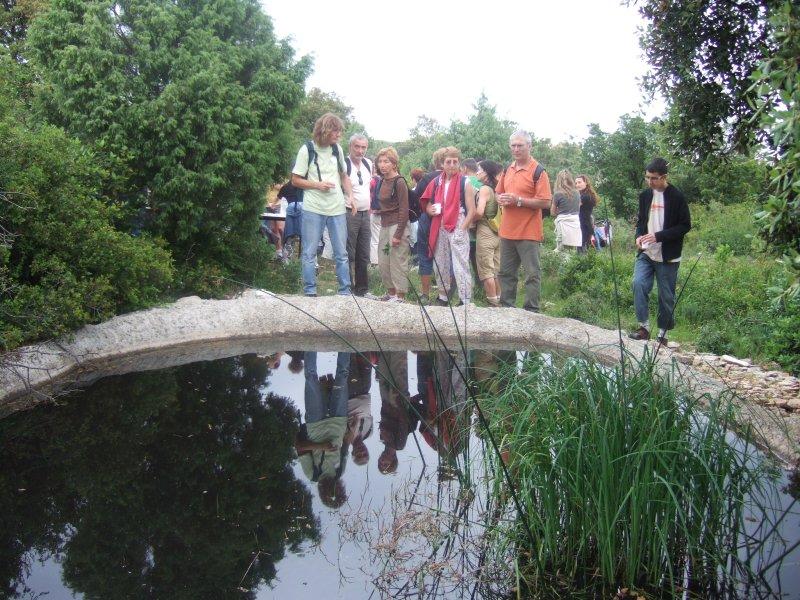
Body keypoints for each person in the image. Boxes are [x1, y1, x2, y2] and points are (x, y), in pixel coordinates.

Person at [629, 157, 691, 346]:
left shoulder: (677, 196)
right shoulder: (645, 195)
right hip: (647, 253)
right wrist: (639, 237)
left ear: (664, 177)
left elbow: (685, 226)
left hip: (668, 254)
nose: (650, 182)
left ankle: (662, 335)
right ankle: (644, 328)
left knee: (666, 295)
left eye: (654, 178)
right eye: (647, 177)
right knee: (638, 283)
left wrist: (659, 236)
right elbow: (641, 222)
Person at [290, 113, 354, 297]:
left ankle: (345, 291)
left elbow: (344, 176)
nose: (338, 135)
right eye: (335, 131)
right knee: (309, 252)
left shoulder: (337, 149)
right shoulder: (307, 149)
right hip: (313, 208)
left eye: (340, 131)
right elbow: (295, 180)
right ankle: (310, 291)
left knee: (341, 252)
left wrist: (350, 196)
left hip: (337, 208)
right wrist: (318, 185)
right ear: (324, 130)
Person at [496, 130, 552, 312]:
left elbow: (545, 202)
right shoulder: (508, 169)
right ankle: (506, 308)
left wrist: (518, 201)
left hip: (529, 232)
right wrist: (500, 199)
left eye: (520, 145)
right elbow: (498, 192)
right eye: (513, 145)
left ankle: (531, 311)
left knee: (532, 274)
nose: (516, 149)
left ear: (529, 146)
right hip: (507, 231)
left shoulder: (538, 171)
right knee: (505, 273)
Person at [420, 147, 477, 306]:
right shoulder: (437, 181)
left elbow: (472, 211)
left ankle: (465, 300)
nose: (452, 165)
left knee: (461, 263)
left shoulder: (466, 182)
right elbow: (426, 201)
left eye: (455, 162)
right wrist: (429, 209)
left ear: (459, 164)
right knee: (441, 262)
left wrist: (462, 229)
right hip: (440, 223)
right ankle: (443, 296)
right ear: (442, 164)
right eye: (448, 162)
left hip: (458, 222)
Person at [295, 351, 350, 508]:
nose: (334, 490)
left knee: (311, 378)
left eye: (330, 494)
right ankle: (344, 343)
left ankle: (310, 344)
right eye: (337, 492)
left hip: (316, 424)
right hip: (339, 422)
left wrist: (321, 446)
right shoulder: (340, 471)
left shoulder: (312, 474)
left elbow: (299, 447)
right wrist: (349, 432)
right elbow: (345, 446)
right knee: (343, 376)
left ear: (323, 493)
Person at [368, 147, 410, 302]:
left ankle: (400, 296)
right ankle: (390, 293)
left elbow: (404, 209)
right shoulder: (381, 181)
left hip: (397, 225)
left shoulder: (399, 182)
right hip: (384, 224)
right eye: (380, 161)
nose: (382, 164)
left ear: (394, 163)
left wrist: (398, 234)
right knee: (383, 260)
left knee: (398, 261)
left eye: (386, 161)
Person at [411, 149, 446, 304]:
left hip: (427, 219)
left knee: (425, 255)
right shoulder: (455, 179)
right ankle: (444, 295)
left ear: (435, 161)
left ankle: (425, 295)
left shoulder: (427, 178)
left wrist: (423, 211)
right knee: (444, 257)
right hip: (447, 220)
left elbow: (415, 197)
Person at [344, 134, 373, 296]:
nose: (360, 150)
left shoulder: (369, 164)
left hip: (365, 214)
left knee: (363, 253)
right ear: (350, 147)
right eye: (357, 146)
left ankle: (362, 290)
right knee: (349, 252)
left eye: (363, 147)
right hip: (349, 212)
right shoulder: (344, 164)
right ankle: (347, 288)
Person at [474, 160, 503, 306]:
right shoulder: (498, 189)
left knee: (486, 271)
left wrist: (467, 221)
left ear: (486, 172)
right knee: (496, 271)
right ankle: (500, 300)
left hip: (485, 232)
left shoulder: (484, 189)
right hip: (498, 232)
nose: (477, 171)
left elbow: (479, 212)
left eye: (479, 169)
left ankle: (492, 304)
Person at [550, 169, 583, 252]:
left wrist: (560, 210)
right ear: (570, 180)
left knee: (561, 249)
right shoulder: (577, 193)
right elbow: (578, 209)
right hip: (575, 223)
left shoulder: (557, 194)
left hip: (562, 223)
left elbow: (552, 212)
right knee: (572, 251)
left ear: (558, 180)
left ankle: (551, 258)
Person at [576, 174, 599, 252]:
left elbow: (574, 208)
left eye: (579, 182)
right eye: (576, 183)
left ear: (586, 182)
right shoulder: (587, 194)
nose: (577, 185)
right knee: (584, 248)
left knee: (582, 249)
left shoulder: (585, 196)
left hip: (584, 225)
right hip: (585, 224)